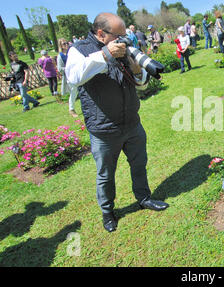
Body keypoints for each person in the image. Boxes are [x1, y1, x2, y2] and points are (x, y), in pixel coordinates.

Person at [65, 12, 169, 233]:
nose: (125, 39)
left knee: (139, 165)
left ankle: (144, 198)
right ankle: (108, 212)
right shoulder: (79, 49)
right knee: (106, 175)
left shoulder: (121, 48)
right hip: (103, 129)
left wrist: (136, 67)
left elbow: (140, 83)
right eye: (120, 35)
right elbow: (73, 76)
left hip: (131, 123)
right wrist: (105, 54)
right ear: (101, 33)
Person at [57, 38, 79, 118]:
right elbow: (59, 68)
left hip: (77, 73)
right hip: (69, 76)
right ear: (61, 46)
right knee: (74, 91)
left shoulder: (72, 52)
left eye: (67, 43)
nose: (66, 45)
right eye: (64, 44)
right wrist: (69, 68)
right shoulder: (60, 56)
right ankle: (71, 109)